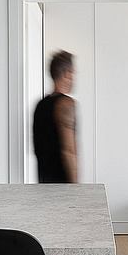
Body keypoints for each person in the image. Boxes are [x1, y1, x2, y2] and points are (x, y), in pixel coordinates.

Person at [33, 50, 78, 183]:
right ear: (66, 74)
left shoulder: (40, 105)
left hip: (43, 186)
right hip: (63, 188)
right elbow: (69, 150)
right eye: (72, 73)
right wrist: (76, 187)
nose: (73, 78)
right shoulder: (66, 104)